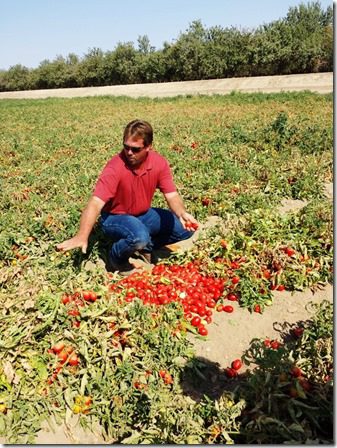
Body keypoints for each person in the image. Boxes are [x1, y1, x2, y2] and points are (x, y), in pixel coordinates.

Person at [56, 119, 198, 273]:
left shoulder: (159, 163)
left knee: (186, 230)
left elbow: (172, 195)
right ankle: (116, 259)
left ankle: (145, 247)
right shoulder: (115, 167)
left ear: (149, 146)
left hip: (143, 214)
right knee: (139, 237)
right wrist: (82, 235)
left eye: (136, 149)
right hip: (115, 217)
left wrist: (182, 213)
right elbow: (95, 203)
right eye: (126, 147)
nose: (129, 153)